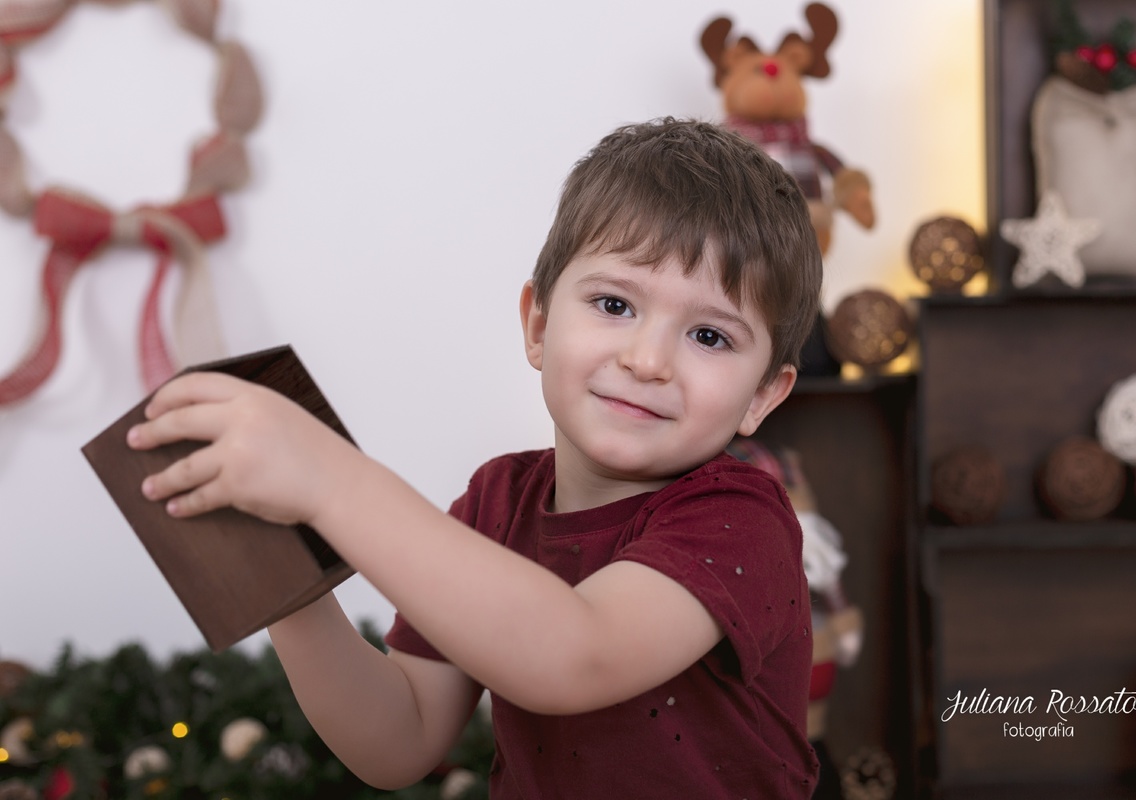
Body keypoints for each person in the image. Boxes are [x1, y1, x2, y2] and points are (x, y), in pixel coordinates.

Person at [127, 117, 824, 797]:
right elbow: (399, 739)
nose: (647, 360)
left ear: (764, 394)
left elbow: (576, 654)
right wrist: (281, 568)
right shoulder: (498, 502)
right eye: (614, 303)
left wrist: (330, 481)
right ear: (539, 326)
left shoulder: (740, 518)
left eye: (708, 337)